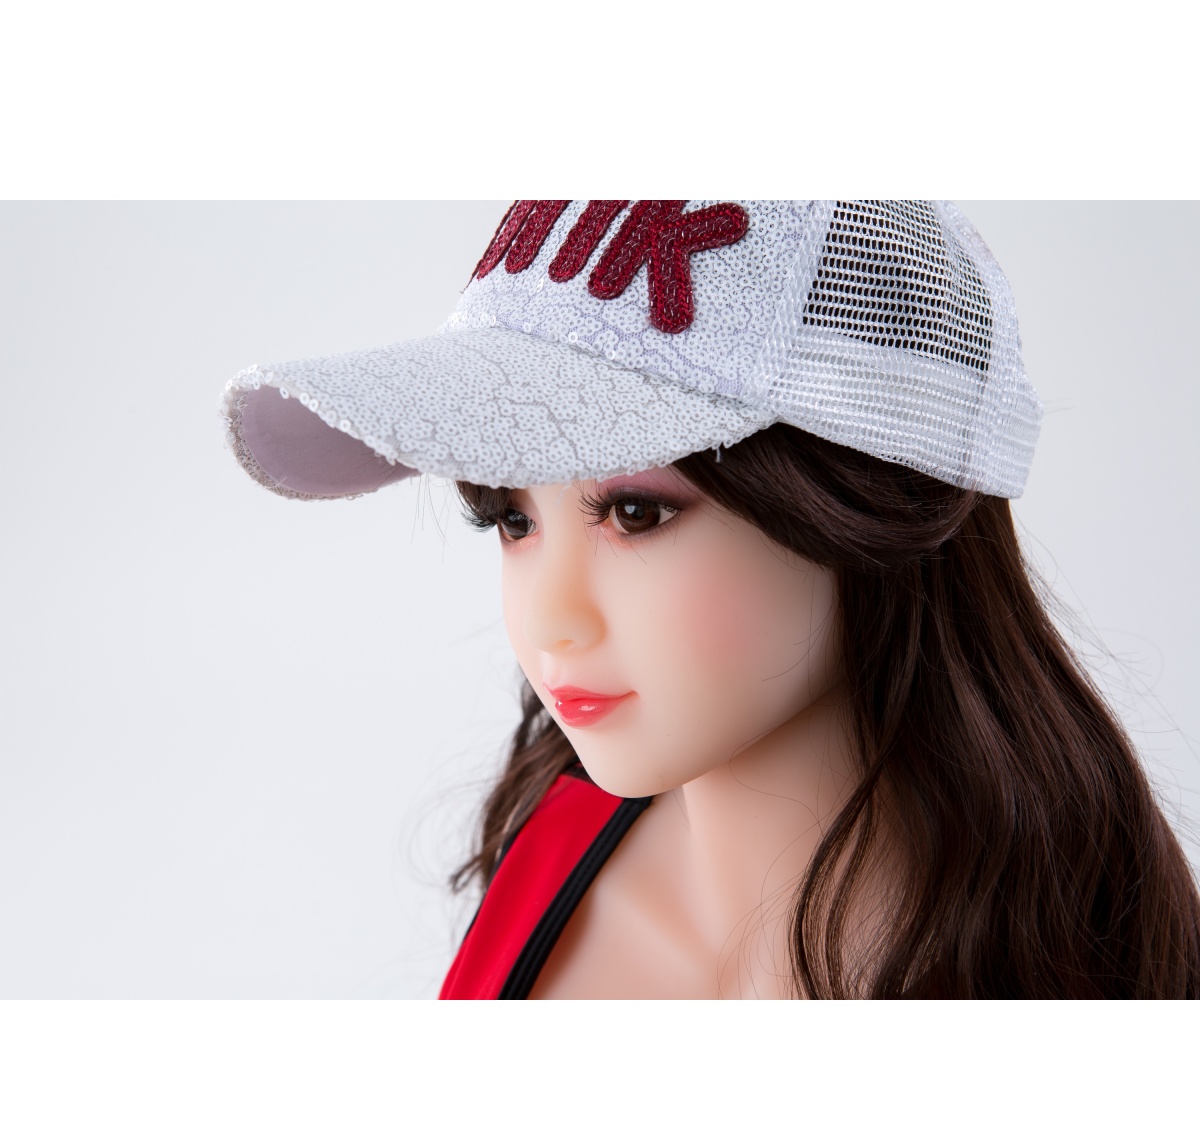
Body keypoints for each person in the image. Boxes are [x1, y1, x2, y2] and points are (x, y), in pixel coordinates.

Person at [223, 200, 1200, 998]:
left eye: (636, 514)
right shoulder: (555, 839)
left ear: (866, 504)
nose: (551, 620)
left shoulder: (1031, 979)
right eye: (511, 519)